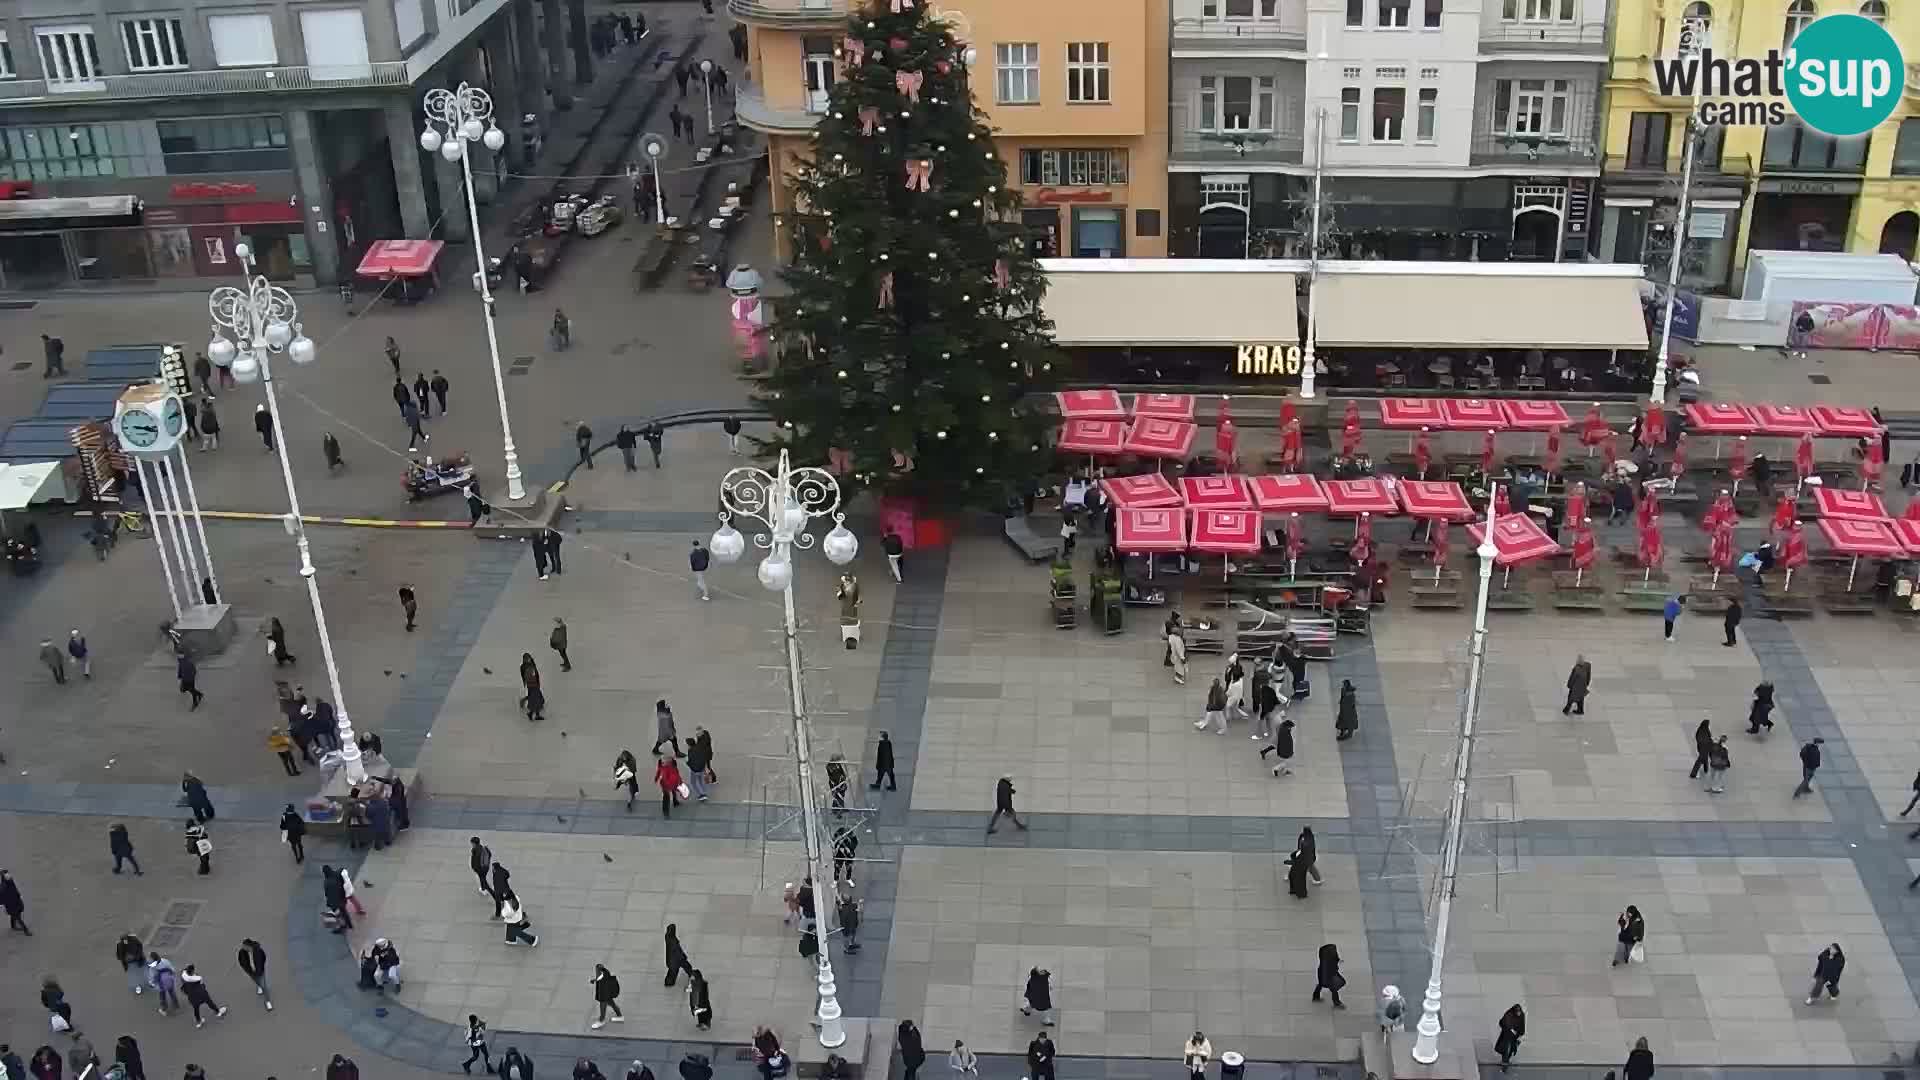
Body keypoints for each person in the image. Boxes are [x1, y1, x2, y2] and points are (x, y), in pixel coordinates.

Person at [237, 938, 272, 1010]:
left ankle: (268, 1001)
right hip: (251, 972)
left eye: (244, 946)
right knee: (256, 981)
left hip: (260, 972)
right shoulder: (242, 952)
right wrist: (245, 969)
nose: (242, 947)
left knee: (264, 986)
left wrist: (261, 968)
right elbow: (240, 960)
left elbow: (263, 957)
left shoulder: (258, 951)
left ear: (249, 946)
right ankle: (259, 986)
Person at [1311, 943, 1346, 1008]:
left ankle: (1316, 996)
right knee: (1333, 989)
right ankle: (1336, 1002)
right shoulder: (1328, 963)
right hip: (1328, 976)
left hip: (1324, 974)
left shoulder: (1325, 959)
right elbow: (1331, 969)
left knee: (1321, 984)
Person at [590, 964, 624, 1028]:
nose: (596, 971)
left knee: (602, 1008)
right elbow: (598, 978)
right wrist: (594, 980)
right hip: (607, 994)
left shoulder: (603, 976)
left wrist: (602, 997)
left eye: (596, 970)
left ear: (599, 970)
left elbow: (601, 980)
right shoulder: (605, 972)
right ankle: (620, 1016)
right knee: (613, 1004)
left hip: (604, 995)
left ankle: (601, 1021)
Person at [1494, 1004, 1526, 1071]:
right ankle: (1505, 1060)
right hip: (1507, 1030)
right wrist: (1512, 1030)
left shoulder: (1522, 1014)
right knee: (1506, 1045)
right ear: (1514, 1011)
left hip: (1515, 1031)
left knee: (1512, 1046)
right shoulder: (1509, 1014)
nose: (1519, 1013)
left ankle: (1507, 1058)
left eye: (1519, 1012)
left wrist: (1521, 1034)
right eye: (1517, 1012)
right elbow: (1506, 1024)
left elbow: (1522, 1024)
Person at [520, 653, 544, 722]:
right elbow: (525, 676)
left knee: (536, 698)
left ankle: (533, 714)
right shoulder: (524, 666)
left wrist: (538, 682)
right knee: (535, 699)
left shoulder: (532, 665)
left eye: (528, 658)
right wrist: (526, 683)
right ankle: (535, 714)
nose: (527, 659)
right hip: (531, 685)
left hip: (535, 684)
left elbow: (536, 674)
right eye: (526, 658)